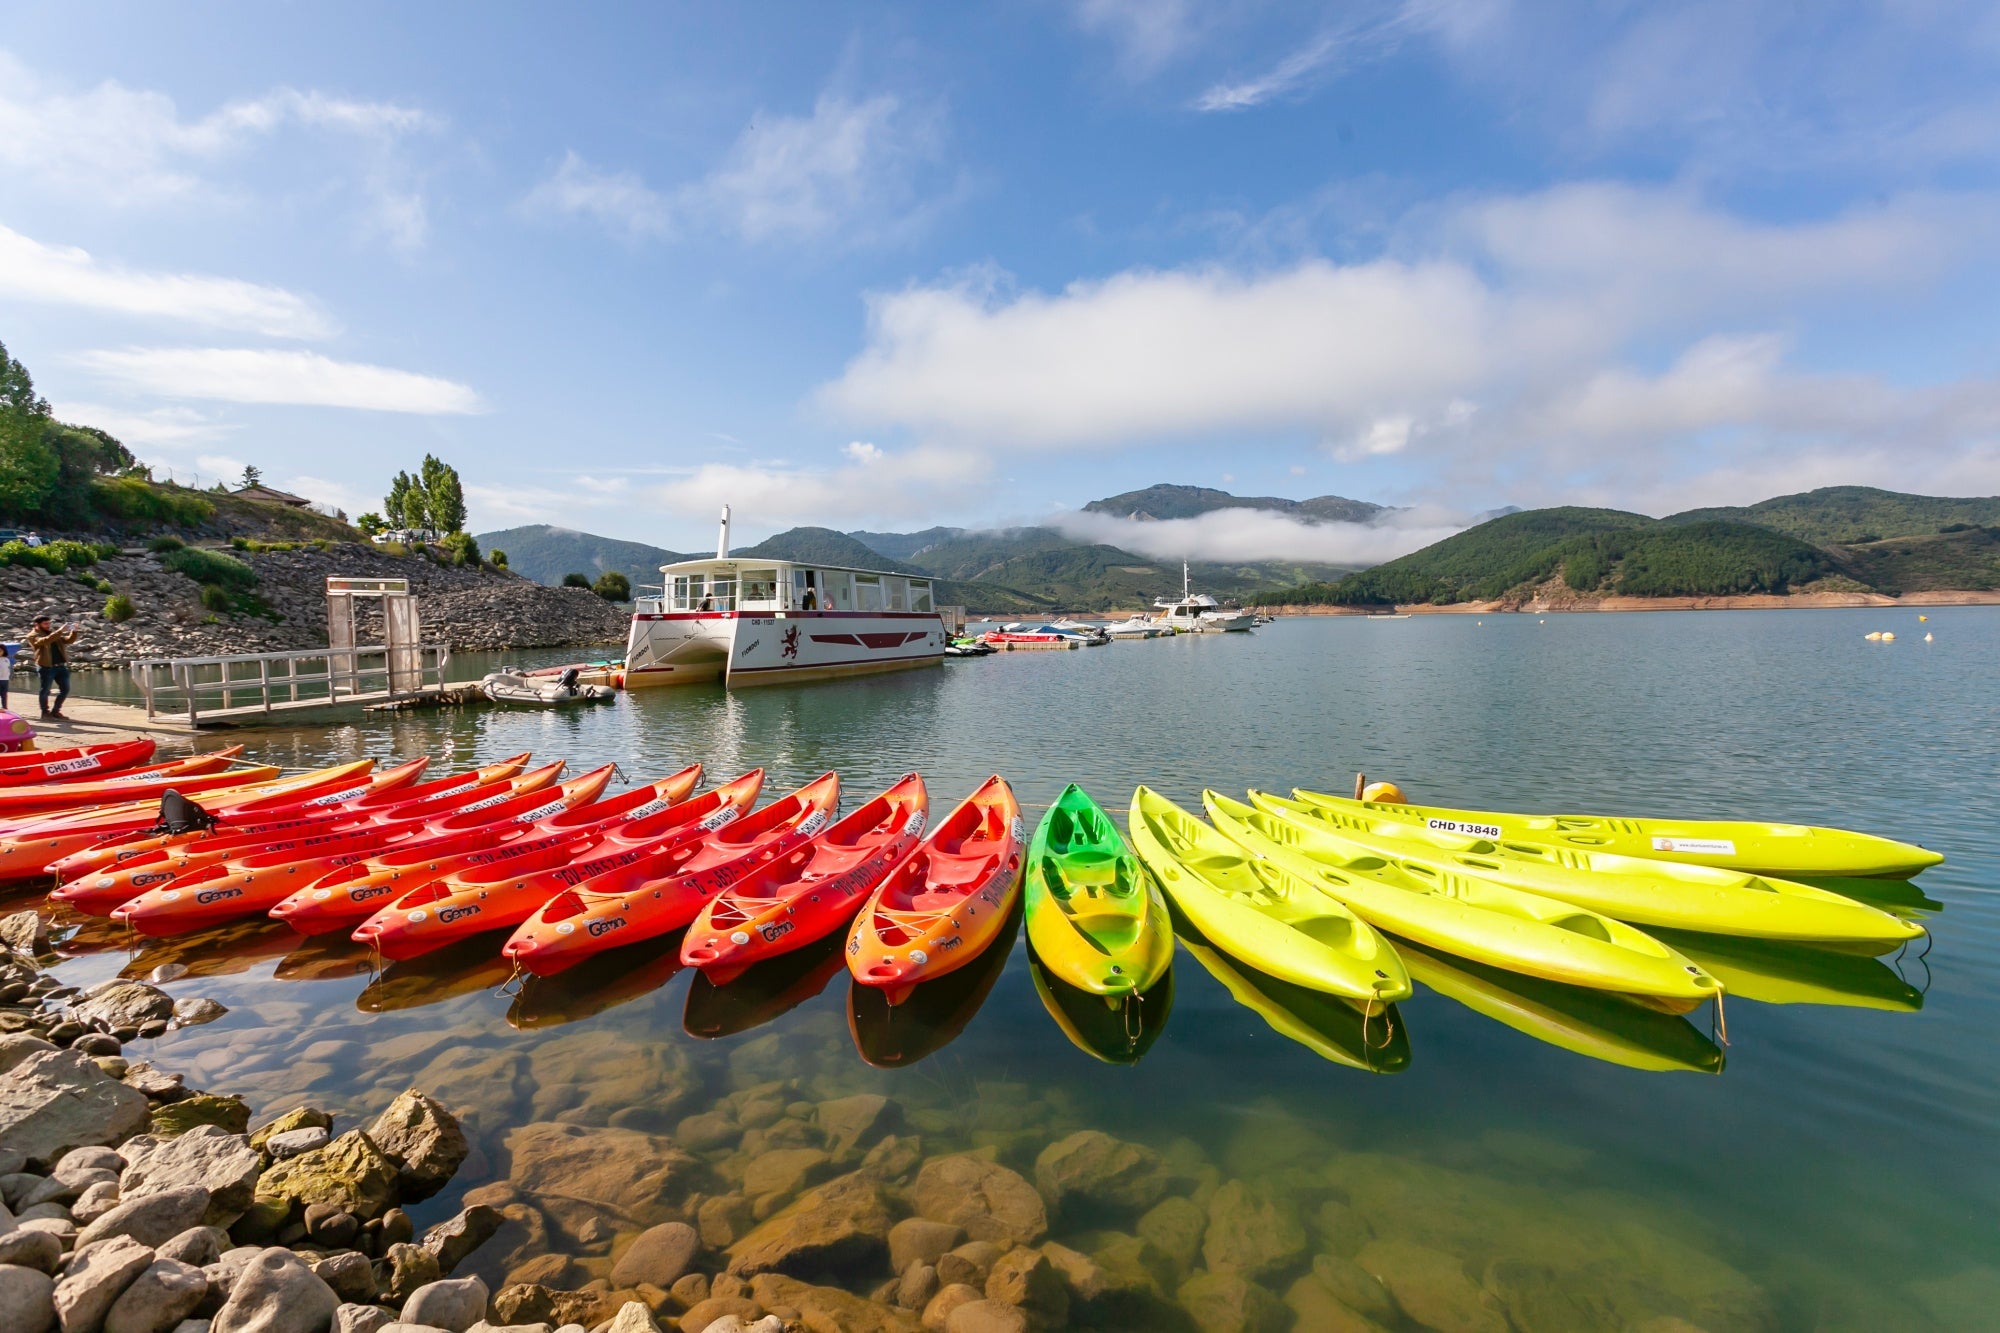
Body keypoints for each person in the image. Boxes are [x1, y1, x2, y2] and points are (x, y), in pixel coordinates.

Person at [26, 615, 77, 719]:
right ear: (37, 624)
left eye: (49, 623)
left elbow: (68, 640)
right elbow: (44, 641)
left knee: (65, 689)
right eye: (45, 624)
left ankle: (56, 711)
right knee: (45, 690)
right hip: (46, 667)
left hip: (61, 666)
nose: (48, 626)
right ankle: (45, 712)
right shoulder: (32, 635)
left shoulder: (52, 633)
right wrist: (60, 631)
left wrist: (74, 631)